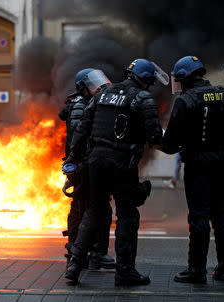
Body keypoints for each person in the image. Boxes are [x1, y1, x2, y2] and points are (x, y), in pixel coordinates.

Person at [64, 58, 169, 286]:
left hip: (96, 163)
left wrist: (73, 158)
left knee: (93, 212)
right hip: (122, 165)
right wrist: (175, 146)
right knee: (127, 216)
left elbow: (82, 129)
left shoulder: (103, 94)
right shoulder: (142, 98)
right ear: (147, 79)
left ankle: (74, 265)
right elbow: (155, 137)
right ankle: (125, 272)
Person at [160, 56, 224, 283]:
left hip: (197, 167)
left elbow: (171, 142)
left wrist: (159, 141)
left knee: (199, 217)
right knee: (222, 214)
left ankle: (197, 270)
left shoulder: (186, 101)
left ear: (184, 78)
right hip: (222, 165)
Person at [59, 68, 115, 270]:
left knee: (84, 209)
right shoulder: (80, 107)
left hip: (86, 164)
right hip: (84, 166)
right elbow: (80, 138)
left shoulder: (87, 103)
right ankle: (91, 254)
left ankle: (81, 252)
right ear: (83, 87)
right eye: (93, 83)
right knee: (91, 210)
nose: (98, 87)